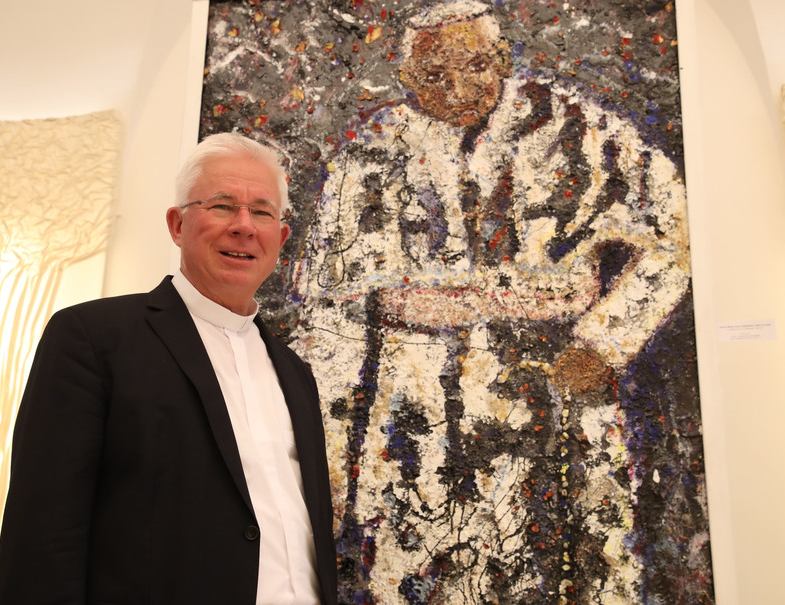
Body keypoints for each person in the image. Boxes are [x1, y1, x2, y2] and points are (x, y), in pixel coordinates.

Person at [291, 1, 691, 603]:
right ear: (407, 77)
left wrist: (605, 342)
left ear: (503, 58)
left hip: (554, 383)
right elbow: (329, 309)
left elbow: (677, 234)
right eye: (434, 76)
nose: (457, 90)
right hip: (416, 401)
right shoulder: (369, 152)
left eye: (476, 67)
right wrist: (329, 465)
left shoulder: (579, 127)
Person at [0, 133, 338, 605]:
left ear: (280, 238)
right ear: (178, 225)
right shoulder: (92, 339)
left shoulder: (297, 374)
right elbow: (42, 536)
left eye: (262, 212)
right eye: (222, 206)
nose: (243, 226)